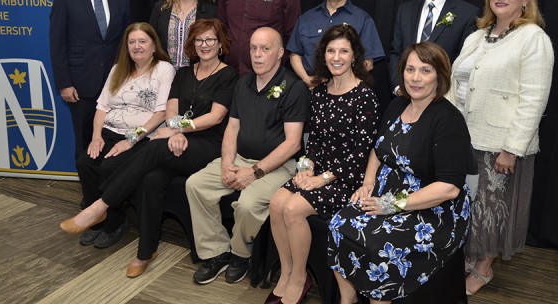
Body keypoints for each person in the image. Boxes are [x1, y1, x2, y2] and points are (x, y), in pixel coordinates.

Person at [59, 19, 238, 276]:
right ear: (192, 44)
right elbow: (172, 108)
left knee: (153, 146)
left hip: (207, 144)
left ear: (220, 44)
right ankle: (146, 252)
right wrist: (175, 130)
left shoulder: (228, 75)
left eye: (210, 39)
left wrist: (178, 129)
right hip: (179, 140)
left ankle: (101, 205)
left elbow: (215, 117)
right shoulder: (185, 72)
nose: (204, 45)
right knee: (151, 179)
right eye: (199, 40)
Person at [329, 42, 472, 304]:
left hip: (434, 207)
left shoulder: (448, 120)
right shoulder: (397, 106)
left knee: (377, 245)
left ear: (440, 77)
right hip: (387, 194)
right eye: (410, 69)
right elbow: (378, 148)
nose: (415, 78)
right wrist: (368, 183)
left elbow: (449, 188)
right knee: (339, 224)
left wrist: (391, 204)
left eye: (425, 71)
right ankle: (346, 300)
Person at [447, 0, 554, 296]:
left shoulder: (533, 38)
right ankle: (468, 258)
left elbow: (534, 99)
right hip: (465, 138)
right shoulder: (478, 36)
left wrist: (512, 147)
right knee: (471, 207)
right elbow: (454, 83)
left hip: (500, 145)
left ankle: (483, 269)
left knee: (494, 211)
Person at [186, 27, 310, 285]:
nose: (257, 54)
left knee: (247, 204)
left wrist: (254, 173)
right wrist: (227, 164)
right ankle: (216, 252)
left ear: (280, 53)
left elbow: (292, 143)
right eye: (253, 48)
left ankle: (241, 254)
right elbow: (232, 127)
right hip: (240, 158)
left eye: (265, 49)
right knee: (195, 185)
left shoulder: (294, 88)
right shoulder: (243, 82)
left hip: (277, 166)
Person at [267, 24, 380, 304]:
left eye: (344, 51)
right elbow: (313, 141)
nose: (337, 57)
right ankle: (287, 271)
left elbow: (360, 154)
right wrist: (305, 167)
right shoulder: (318, 92)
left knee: (293, 208)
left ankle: (299, 279)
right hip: (316, 173)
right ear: (323, 55)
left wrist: (322, 179)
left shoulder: (365, 97)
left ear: (354, 56)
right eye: (331, 50)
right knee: (276, 203)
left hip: (346, 180)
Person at [68, 22, 175, 248]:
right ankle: (97, 221)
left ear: (154, 45)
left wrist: (131, 139)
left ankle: (115, 224)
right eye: (132, 42)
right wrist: (96, 136)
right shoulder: (118, 69)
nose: (137, 46)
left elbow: (161, 113)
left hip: (142, 137)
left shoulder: (164, 69)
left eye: (142, 41)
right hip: (109, 132)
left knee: (108, 167)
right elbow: (101, 107)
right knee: (85, 162)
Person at [50, 0, 131, 160]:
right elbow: (57, 44)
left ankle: (110, 190)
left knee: (113, 137)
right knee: (85, 140)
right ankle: (88, 191)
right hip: (80, 85)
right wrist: (64, 83)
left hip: (116, 82)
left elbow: (127, 42)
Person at [388, 0, 478, 96]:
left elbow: (464, 62)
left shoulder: (468, 14)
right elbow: (396, 54)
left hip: (443, 98)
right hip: (406, 97)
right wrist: (399, 87)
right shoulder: (405, 11)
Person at [287, 0, 385, 86]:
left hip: (346, 93)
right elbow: (295, 54)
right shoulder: (306, 19)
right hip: (309, 91)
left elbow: (368, 63)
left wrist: (340, 84)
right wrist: (307, 79)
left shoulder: (363, 19)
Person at [149, 0, 217, 69]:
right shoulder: (161, 8)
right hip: (164, 73)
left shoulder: (210, 11)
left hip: (197, 74)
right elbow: (151, 41)